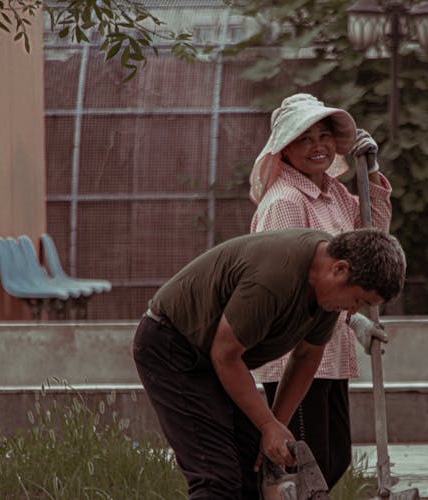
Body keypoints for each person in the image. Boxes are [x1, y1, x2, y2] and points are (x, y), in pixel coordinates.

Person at [132, 227, 406, 499]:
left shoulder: (326, 294)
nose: (353, 310)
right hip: (172, 347)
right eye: (358, 299)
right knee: (217, 477)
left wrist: (275, 428)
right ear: (340, 269)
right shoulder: (276, 278)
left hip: (214, 357)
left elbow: (306, 357)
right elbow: (225, 354)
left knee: (255, 465)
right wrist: (266, 425)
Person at [248, 93, 393, 487]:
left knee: (334, 457)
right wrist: (352, 316)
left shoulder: (331, 195)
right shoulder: (285, 203)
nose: (318, 147)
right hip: (297, 351)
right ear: (284, 149)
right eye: (304, 138)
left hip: (330, 348)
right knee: (304, 461)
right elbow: (286, 286)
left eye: (324, 136)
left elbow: (372, 244)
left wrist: (373, 174)